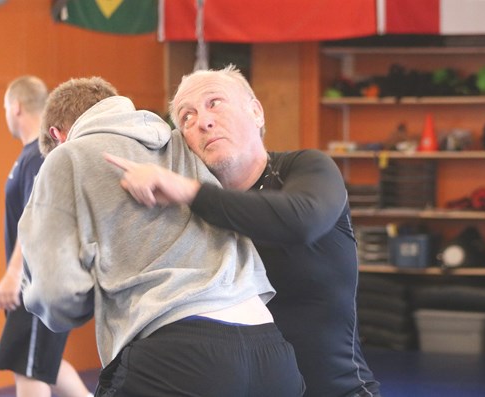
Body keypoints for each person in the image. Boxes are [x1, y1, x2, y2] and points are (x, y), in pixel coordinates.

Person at [18, 76, 304, 397]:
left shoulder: (66, 157)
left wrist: (61, 297)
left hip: (176, 354)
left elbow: (56, 294)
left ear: (57, 136)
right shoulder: (183, 142)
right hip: (271, 351)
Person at [107, 65, 381, 397]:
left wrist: (190, 192)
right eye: (186, 117)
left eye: (215, 103)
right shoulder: (185, 210)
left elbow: (302, 221)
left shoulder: (305, 168)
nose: (203, 121)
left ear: (256, 111)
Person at [0, 75, 92, 397]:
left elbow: (38, 217)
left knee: (29, 367)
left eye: (5, 108)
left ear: (16, 107)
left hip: (36, 282)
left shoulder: (38, 155)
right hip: (34, 280)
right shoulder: (30, 155)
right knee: (43, 363)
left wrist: (13, 274)